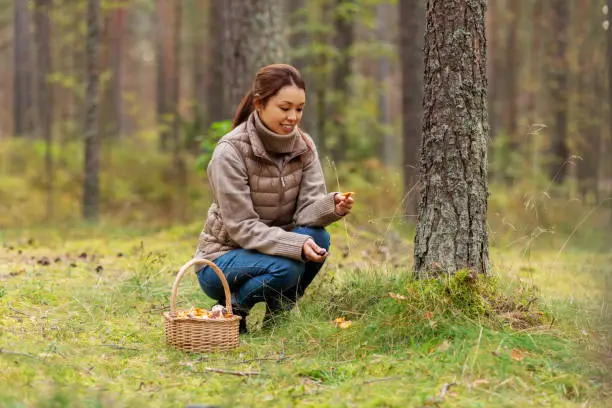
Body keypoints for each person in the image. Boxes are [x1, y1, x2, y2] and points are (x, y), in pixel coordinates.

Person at [194, 63, 355, 333]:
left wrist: (332, 205)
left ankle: (277, 320)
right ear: (259, 104)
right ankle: (233, 310)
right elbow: (242, 227)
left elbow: (306, 211)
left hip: (273, 250)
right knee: (289, 268)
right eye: (284, 108)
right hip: (222, 260)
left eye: (299, 109)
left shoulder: (304, 145)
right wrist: (294, 243)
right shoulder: (230, 152)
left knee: (319, 238)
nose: (293, 117)